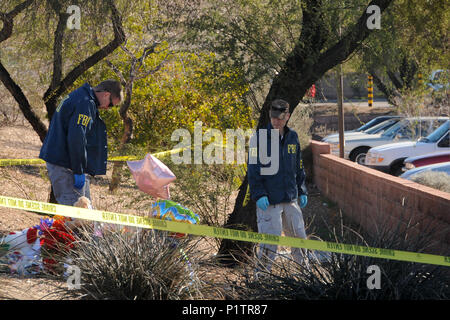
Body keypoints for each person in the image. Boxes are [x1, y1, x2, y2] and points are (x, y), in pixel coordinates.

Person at [39, 80, 123, 206]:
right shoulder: (85, 103)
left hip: (69, 163)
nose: (107, 108)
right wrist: (78, 170)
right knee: (75, 215)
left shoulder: (82, 96)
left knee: (85, 213)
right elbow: (77, 138)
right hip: (66, 165)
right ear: (106, 94)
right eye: (110, 104)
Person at [248, 99, 308, 272]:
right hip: (269, 201)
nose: (276, 121)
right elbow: (252, 170)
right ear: (270, 115)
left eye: (280, 118)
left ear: (287, 116)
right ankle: (261, 279)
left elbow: (299, 166)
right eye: (274, 117)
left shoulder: (293, 137)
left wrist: (302, 190)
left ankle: (305, 277)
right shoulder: (258, 138)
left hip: (290, 198)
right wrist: (259, 194)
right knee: (269, 244)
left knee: (299, 240)